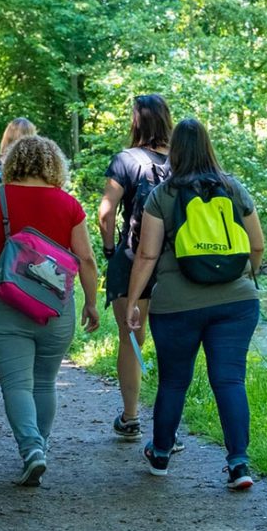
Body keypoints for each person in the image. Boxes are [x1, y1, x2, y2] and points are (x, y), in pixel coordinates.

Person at [123, 118, 265, 490]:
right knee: (230, 380)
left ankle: (162, 454)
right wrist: (240, 278)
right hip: (237, 303)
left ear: (177, 151)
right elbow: (257, 245)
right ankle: (238, 465)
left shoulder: (163, 194)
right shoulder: (234, 188)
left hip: (176, 306)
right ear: (208, 146)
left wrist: (134, 300)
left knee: (174, 381)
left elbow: (147, 255)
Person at [0, 136, 101, 486]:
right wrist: (90, 302)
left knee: (16, 385)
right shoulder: (69, 204)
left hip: (4, 304)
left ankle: (32, 450)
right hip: (56, 308)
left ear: (13, 163)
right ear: (54, 166)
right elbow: (85, 258)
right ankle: (41, 445)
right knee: (44, 381)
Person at [97, 94, 172, 439]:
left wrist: (110, 248)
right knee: (173, 344)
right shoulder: (183, 161)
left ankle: (130, 418)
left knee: (131, 340)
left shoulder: (125, 160)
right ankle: (168, 427)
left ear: (136, 121)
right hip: (175, 266)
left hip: (131, 261)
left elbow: (105, 212)